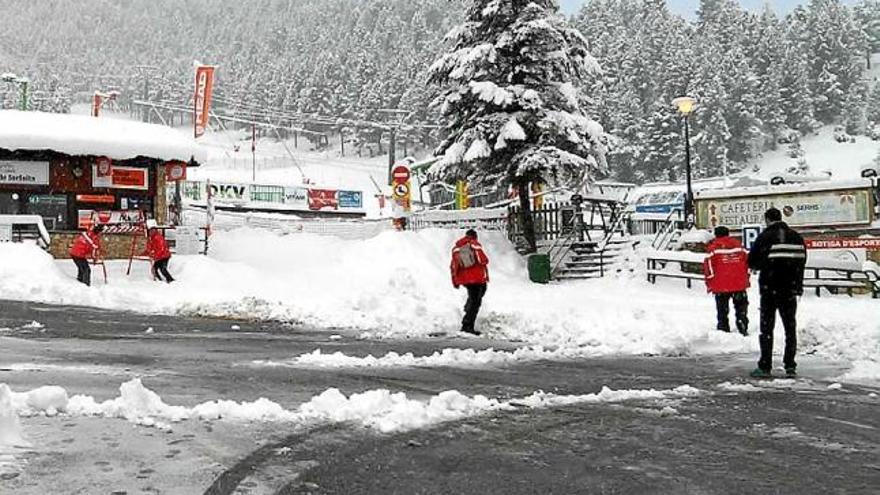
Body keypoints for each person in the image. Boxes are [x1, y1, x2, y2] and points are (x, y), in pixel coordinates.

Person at [747, 207, 807, 378]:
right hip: (790, 289)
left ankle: (765, 365)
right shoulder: (796, 237)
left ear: (767, 219)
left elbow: (752, 261)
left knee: (767, 327)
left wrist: (765, 266)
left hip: (769, 288)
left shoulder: (765, 237)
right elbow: (802, 261)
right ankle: (790, 365)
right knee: (790, 327)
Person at [703, 226, 750, 336]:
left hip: (721, 283)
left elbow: (708, 267)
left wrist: (709, 282)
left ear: (716, 235)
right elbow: (748, 262)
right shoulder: (739, 246)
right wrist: (746, 276)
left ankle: (723, 328)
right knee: (741, 306)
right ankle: (742, 323)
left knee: (722, 308)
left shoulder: (713, 248)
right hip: (739, 282)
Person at [451, 229, 489, 335]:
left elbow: (454, 265)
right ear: (475, 237)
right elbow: (483, 260)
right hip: (477, 278)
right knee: (476, 302)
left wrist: (455, 280)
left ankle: (468, 309)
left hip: (465, 279)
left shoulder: (456, 248)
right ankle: (467, 325)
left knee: (475, 297)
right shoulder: (474, 244)